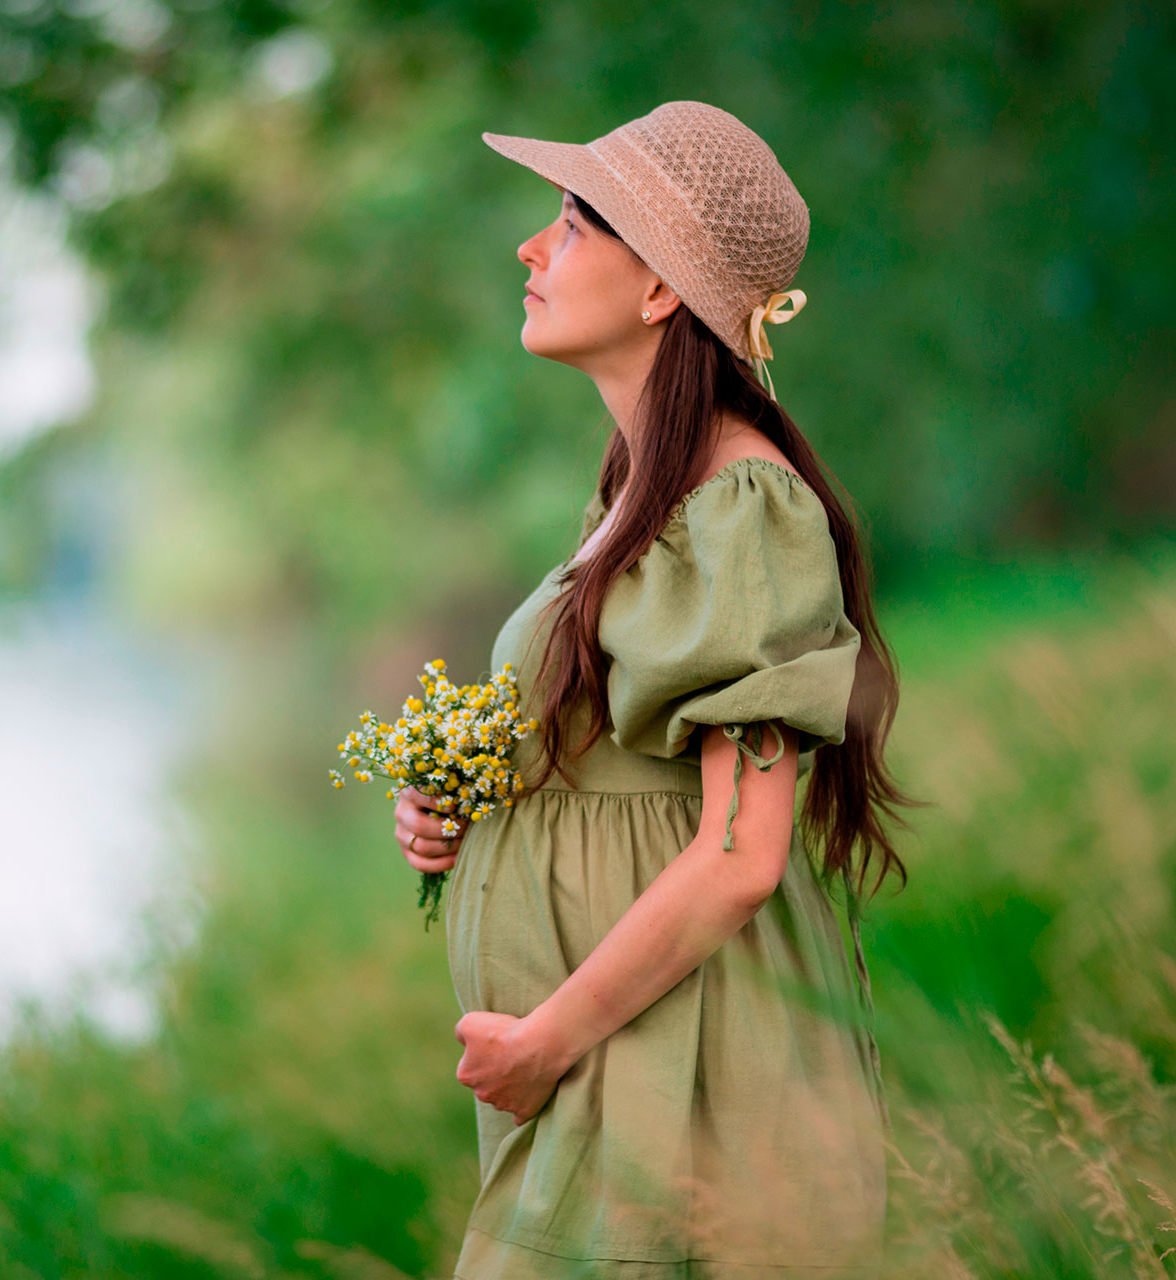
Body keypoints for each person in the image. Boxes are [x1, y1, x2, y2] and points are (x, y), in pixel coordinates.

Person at [392, 101, 919, 1278]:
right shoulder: (639, 489)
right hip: (611, 1052)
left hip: (681, 1053)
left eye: (571, 225)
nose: (532, 249)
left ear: (659, 291)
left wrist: (544, 1041)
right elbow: (609, 758)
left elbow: (743, 851)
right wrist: (453, 808)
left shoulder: (744, 501)